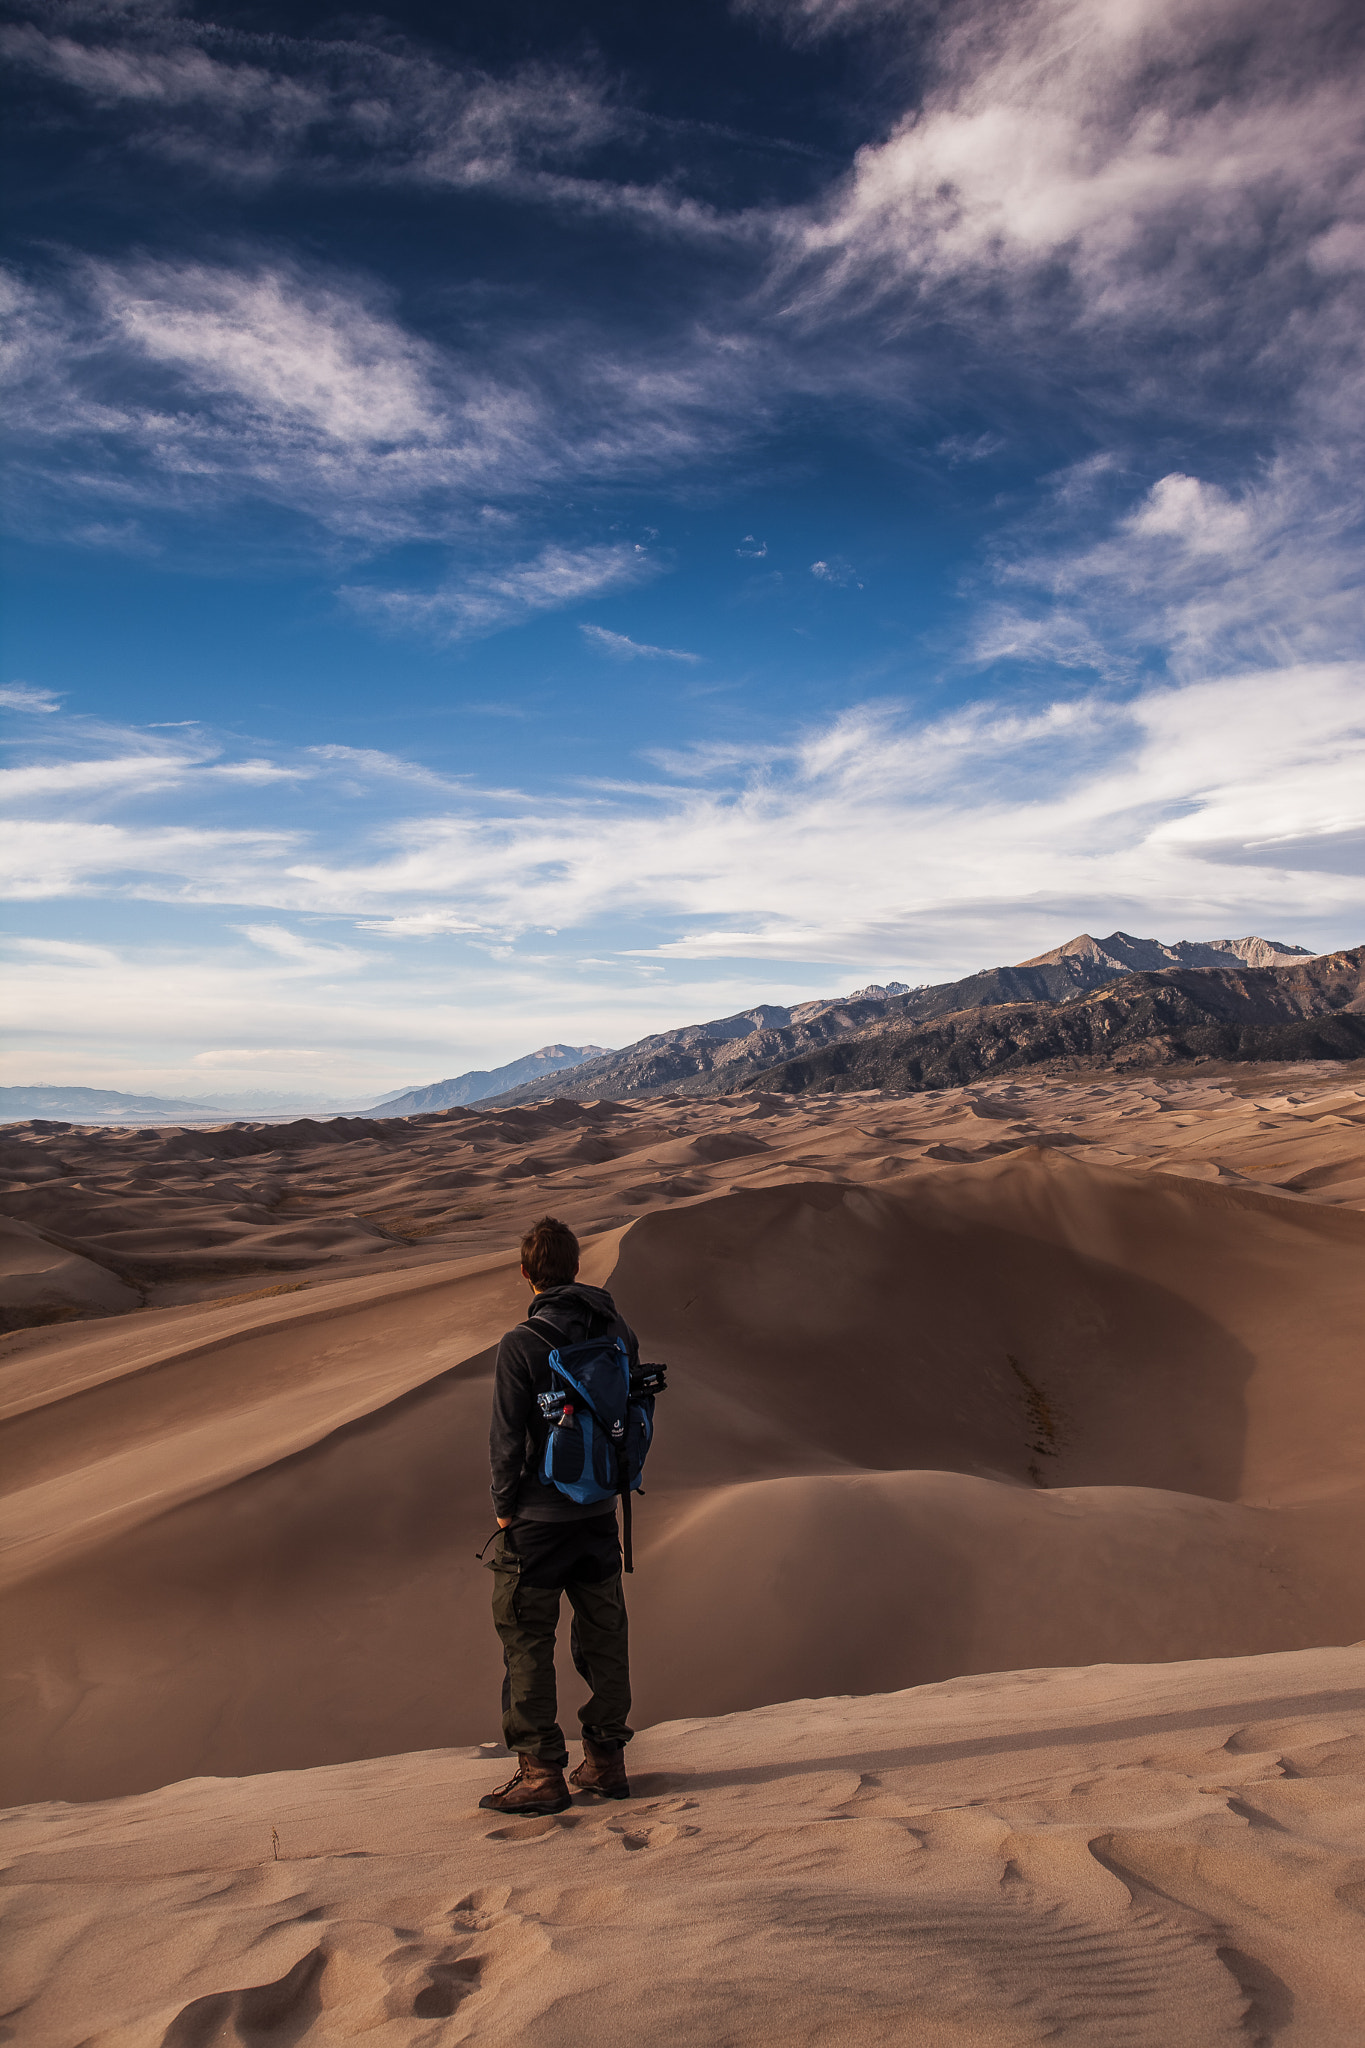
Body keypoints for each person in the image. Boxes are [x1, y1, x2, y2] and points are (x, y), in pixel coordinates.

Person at [479, 1214, 637, 1816]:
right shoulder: (616, 1328)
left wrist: (502, 1509)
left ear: (526, 1274)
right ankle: (606, 1763)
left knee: (526, 1641)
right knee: (606, 1637)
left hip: (538, 1524)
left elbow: (504, 1436)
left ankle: (542, 1773)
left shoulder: (521, 1344)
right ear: (576, 1268)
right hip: (600, 1514)